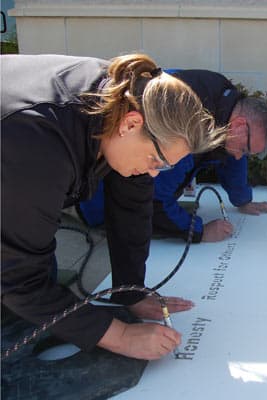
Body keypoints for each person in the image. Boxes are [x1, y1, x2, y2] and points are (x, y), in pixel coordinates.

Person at [1, 54, 225, 360]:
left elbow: (132, 208)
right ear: (131, 124)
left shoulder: (127, 102)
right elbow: (20, 278)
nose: (154, 174)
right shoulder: (39, 144)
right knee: (21, 292)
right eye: (156, 161)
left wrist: (129, 292)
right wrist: (120, 336)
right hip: (15, 143)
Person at [78, 69, 267, 243]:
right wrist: (198, 232)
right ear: (240, 125)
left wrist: (243, 199)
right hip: (94, 197)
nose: (241, 157)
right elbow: (155, 200)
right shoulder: (187, 128)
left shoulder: (226, 105)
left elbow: (232, 158)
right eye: (245, 149)